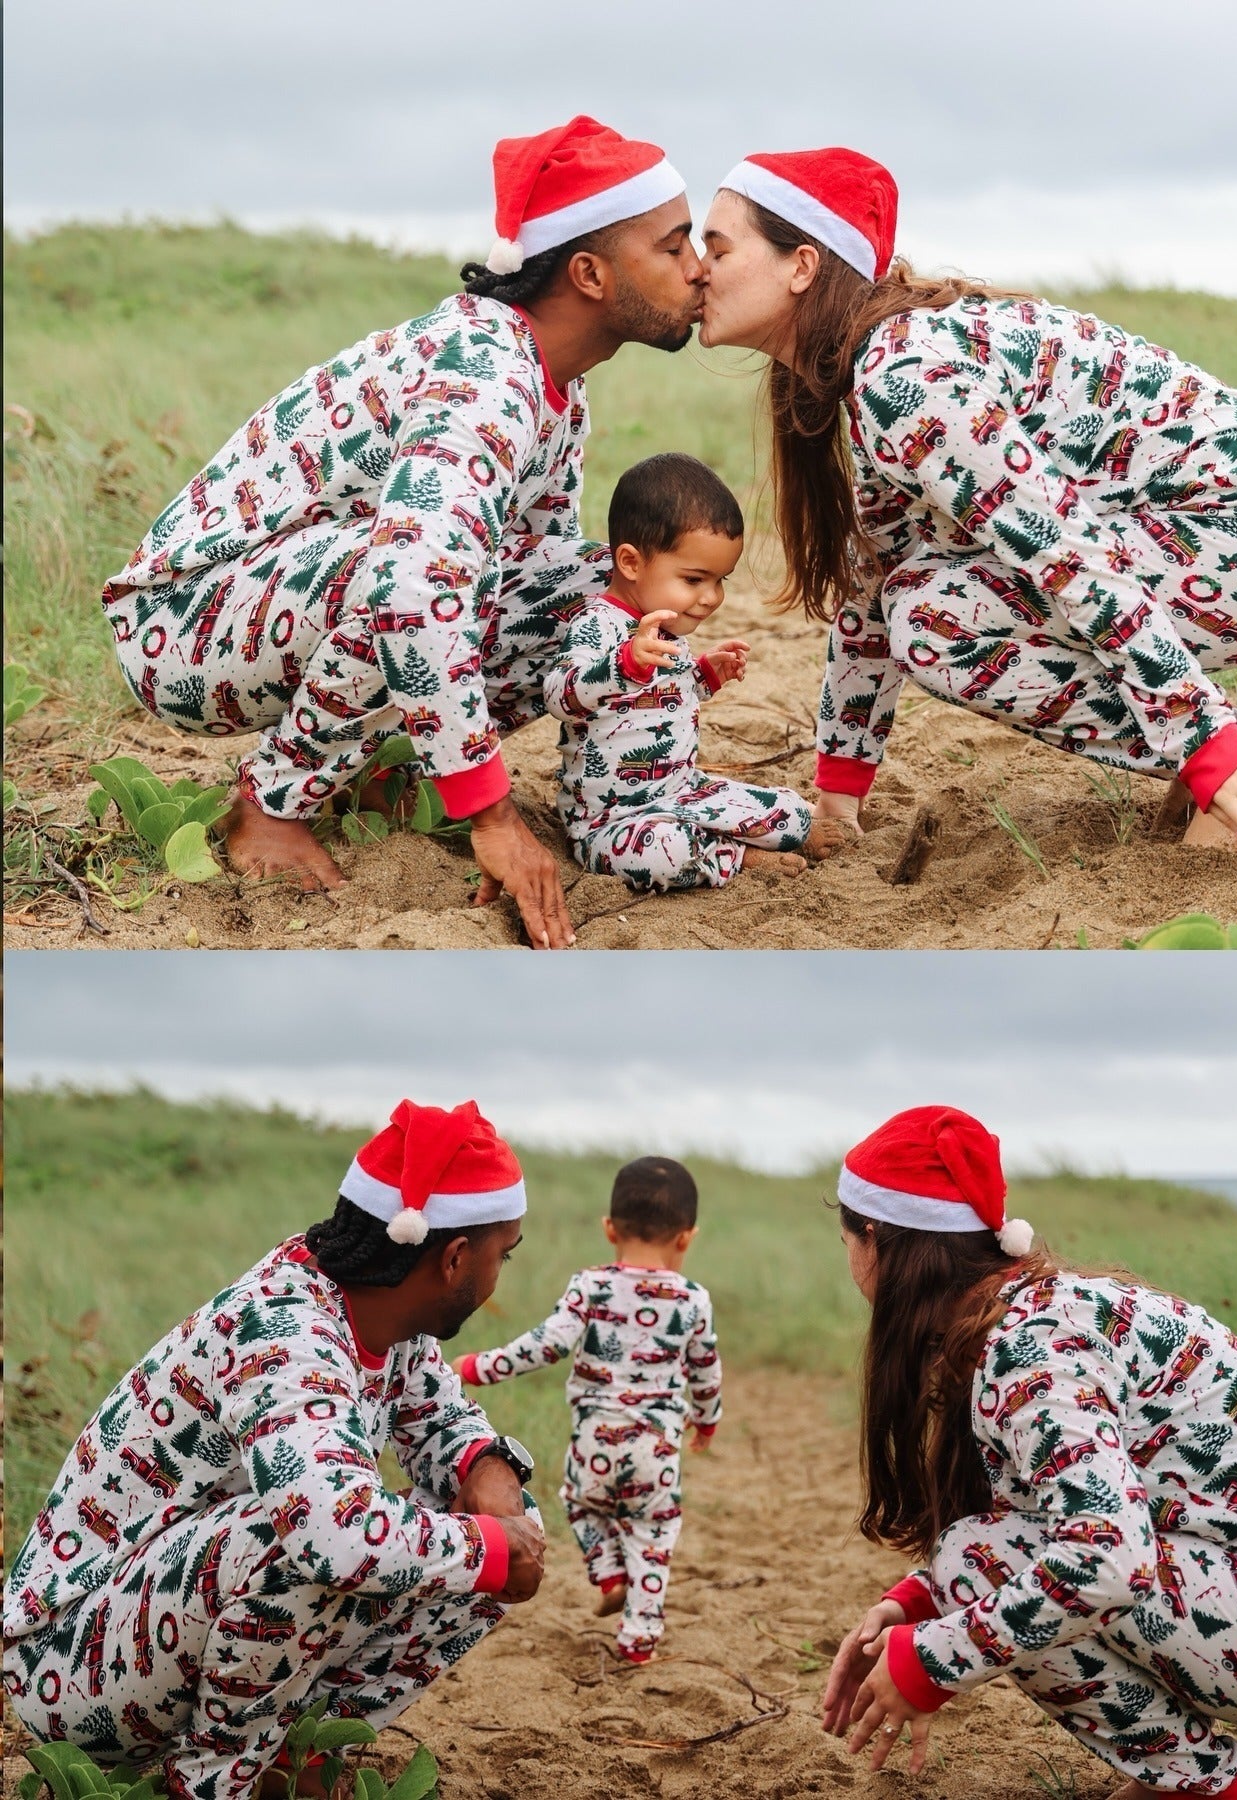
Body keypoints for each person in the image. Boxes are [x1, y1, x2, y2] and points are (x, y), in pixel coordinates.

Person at [101, 116, 706, 948]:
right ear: (591, 274)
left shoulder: (552, 380)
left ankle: (398, 773)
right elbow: (411, 586)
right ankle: (272, 806)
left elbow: (536, 574)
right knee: (413, 575)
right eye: (675, 248)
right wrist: (489, 812)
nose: (699, 268)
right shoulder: (486, 375)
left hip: (295, 598)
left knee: (595, 588)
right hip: (181, 627)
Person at [699, 150, 1237, 862]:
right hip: (1234, 527)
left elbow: (1066, 554)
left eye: (718, 247)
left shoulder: (904, 377)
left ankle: (1234, 761)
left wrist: (1204, 741)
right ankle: (1217, 750)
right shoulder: (875, 370)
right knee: (913, 591)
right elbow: (872, 582)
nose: (698, 269)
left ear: (800, 266)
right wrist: (838, 796)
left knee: (935, 617)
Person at [820, 1106, 1237, 1798]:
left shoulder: (1030, 1348)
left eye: (845, 1240)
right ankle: (1179, 1779)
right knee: (970, 1557)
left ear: (876, 1238)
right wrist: (921, 1601)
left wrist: (935, 1661)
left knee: (978, 1558)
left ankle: (1197, 1787)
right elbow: (1053, 1511)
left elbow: (1106, 1555)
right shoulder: (1039, 1313)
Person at [3, 1101, 548, 1800]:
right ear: (453, 1259)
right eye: (503, 1254)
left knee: (493, 1531)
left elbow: (444, 1422)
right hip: (69, 1663)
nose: (501, 1271)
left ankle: (298, 1753)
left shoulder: (384, 1310)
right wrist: (493, 1547)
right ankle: (211, 1783)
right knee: (302, 1534)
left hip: (160, 1634)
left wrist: (491, 1469)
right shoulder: (286, 1331)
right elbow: (333, 1534)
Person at [456, 1155, 722, 1662]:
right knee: (653, 1533)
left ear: (608, 1229)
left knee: (578, 1502)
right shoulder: (693, 1299)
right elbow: (706, 1369)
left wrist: (479, 1366)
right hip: (656, 1450)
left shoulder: (590, 1286)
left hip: (595, 1443)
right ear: (686, 1237)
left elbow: (547, 1344)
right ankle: (639, 1640)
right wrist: (707, 1420)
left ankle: (609, 1575)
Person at [542, 452, 844, 890]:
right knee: (665, 852)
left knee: (793, 812)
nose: (711, 597)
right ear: (630, 562)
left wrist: (704, 674)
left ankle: (739, 838)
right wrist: (622, 664)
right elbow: (560, 695)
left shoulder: (664, 625)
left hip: (683, 791)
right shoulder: (598, 624)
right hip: (612, 819)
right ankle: (738, 858)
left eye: (721, 580)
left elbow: (663, 695)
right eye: (694, 579)